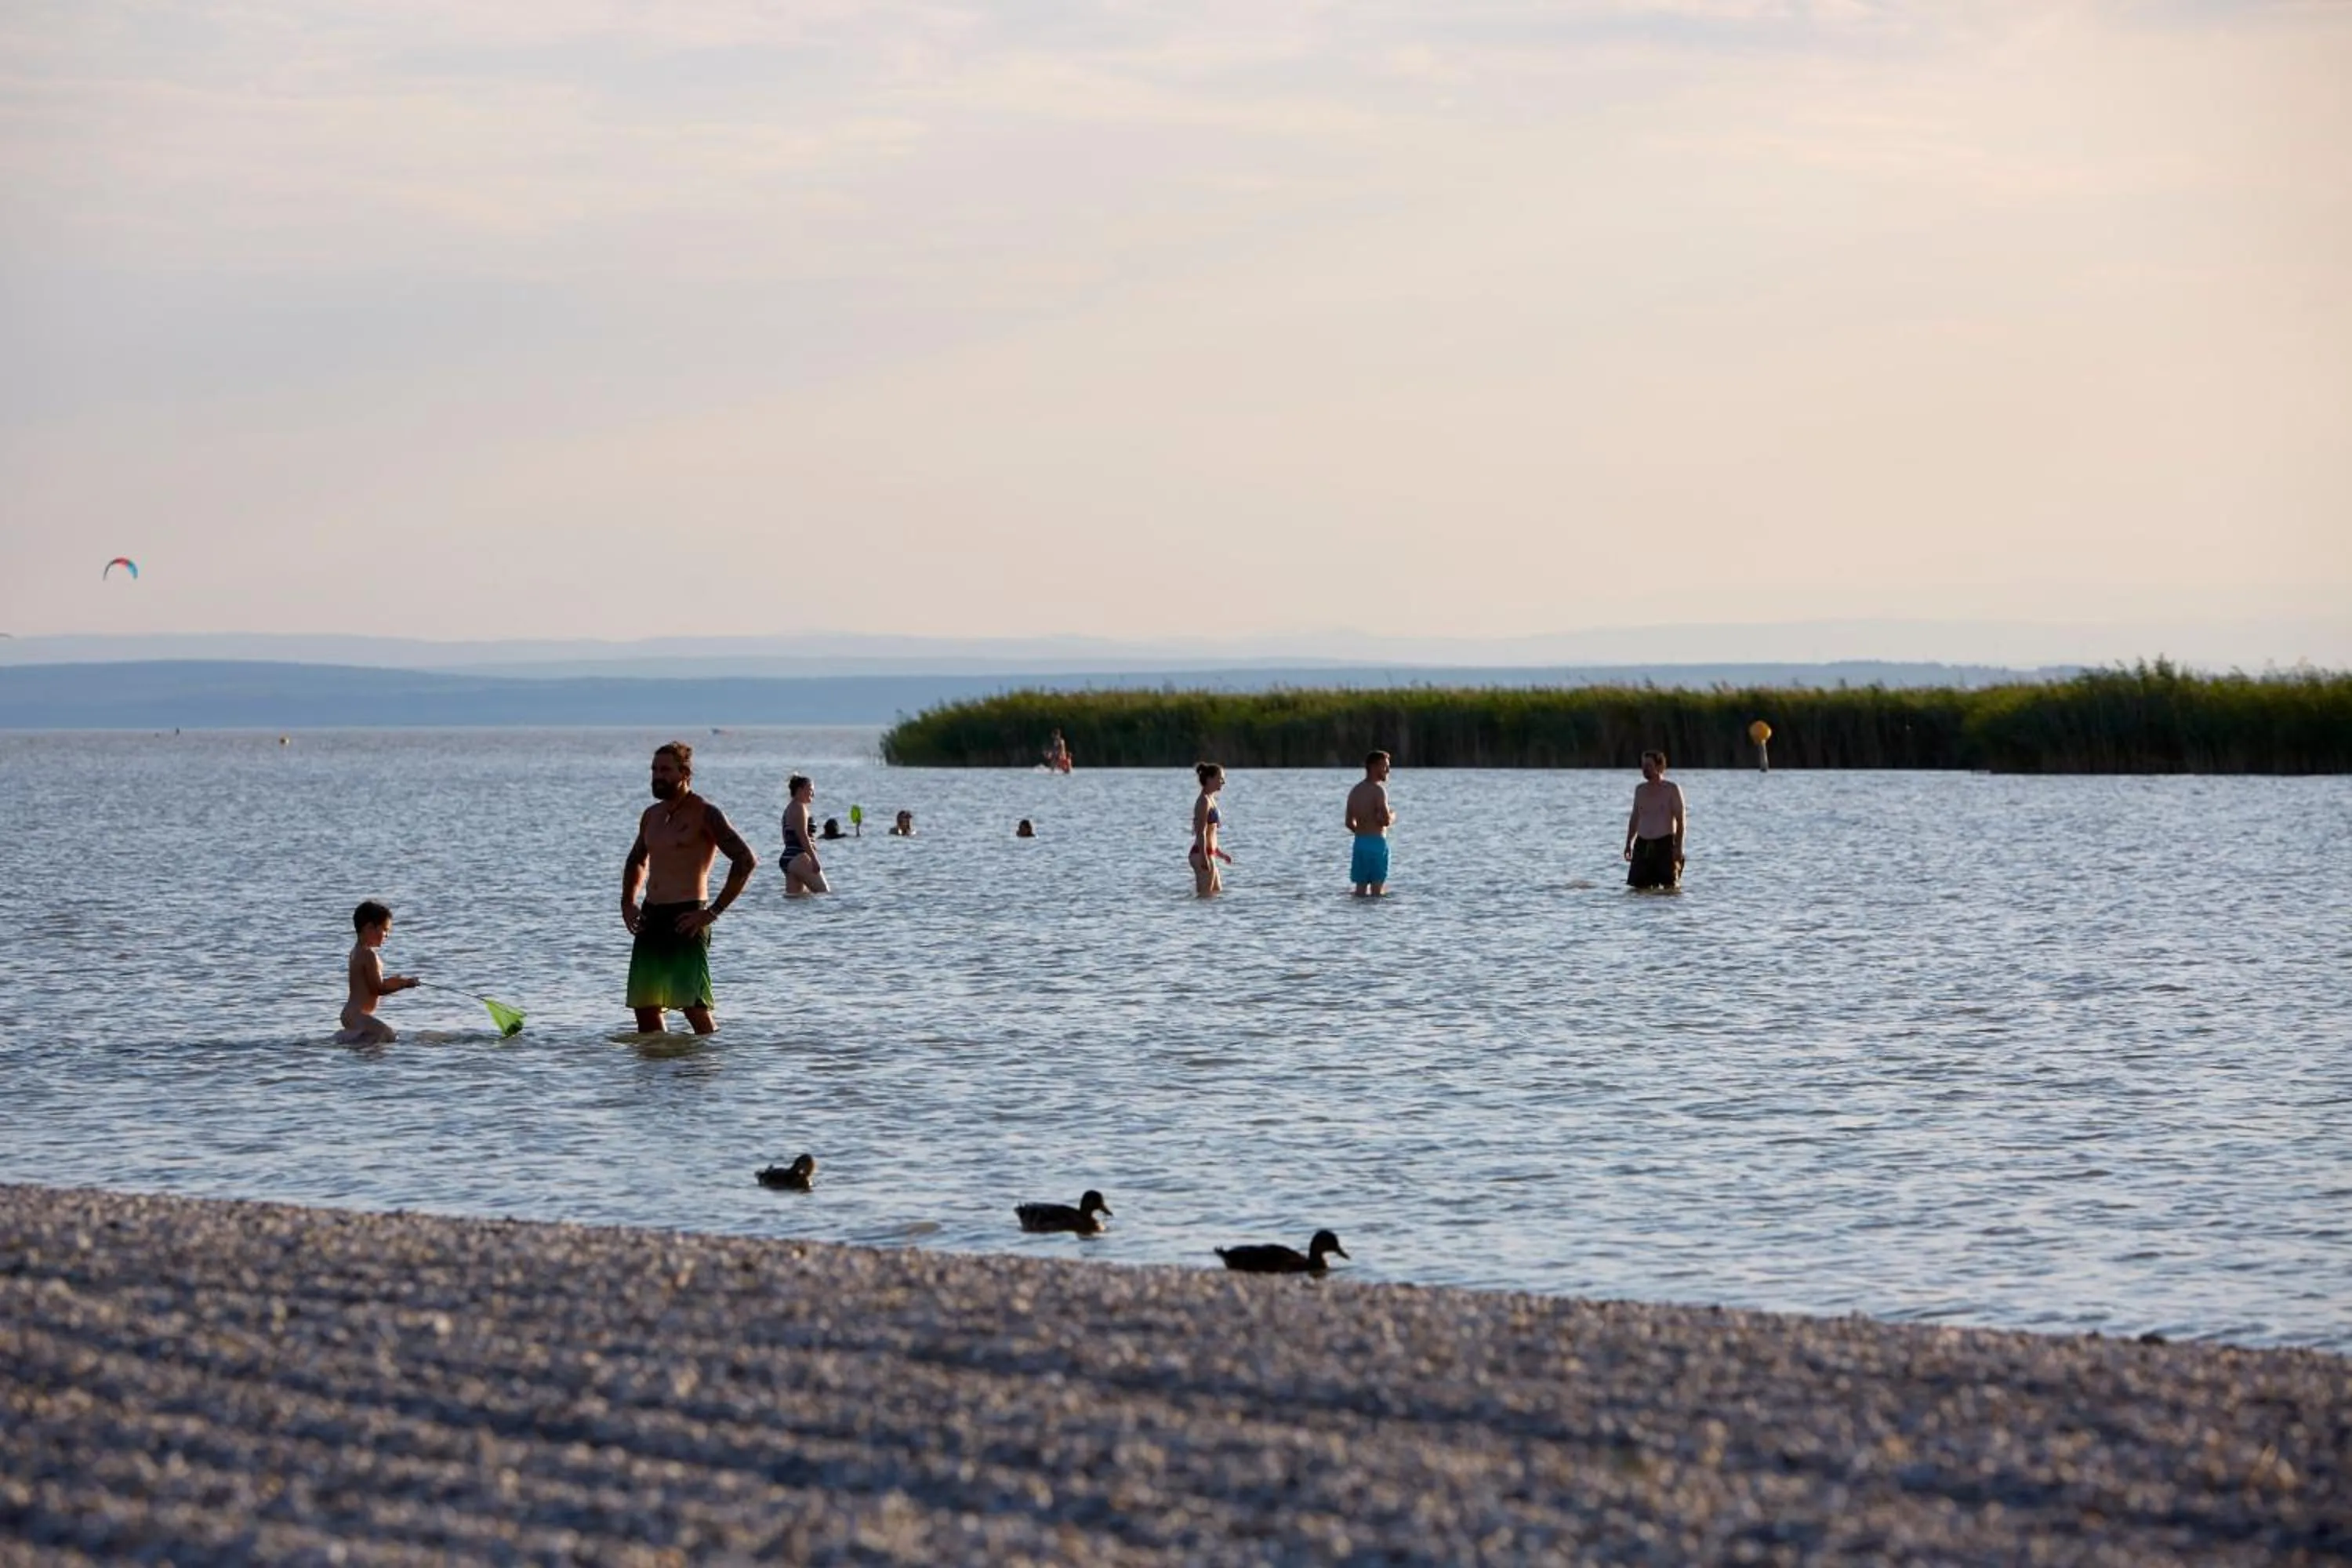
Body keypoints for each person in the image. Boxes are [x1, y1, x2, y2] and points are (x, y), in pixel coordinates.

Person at [622, 742, 757, 1034]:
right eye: (654, 770)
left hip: (687, 917)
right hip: (650, 916)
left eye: (665, 770)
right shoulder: (652, 815)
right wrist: (628, 902)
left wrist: (712, 912)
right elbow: (636, 860)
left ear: (684, 773)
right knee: (644, 1008)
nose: (657, 776)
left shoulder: (706, 813)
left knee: (693, 1006)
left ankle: (703, 1068)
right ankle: (656, 1070)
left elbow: (745, 860)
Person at [336, 899, 418, 1044]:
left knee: (374, 1040)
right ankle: (342, 1040)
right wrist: (404, 985)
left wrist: (398, 981)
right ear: (369, 928)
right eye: (385, 930)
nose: (387, 935)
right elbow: (378, 988)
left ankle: (347, 1039)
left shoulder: (356, 952)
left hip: (351, 1014)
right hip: (356, 1015)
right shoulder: (369, 955)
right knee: (389, 1035)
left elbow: (373, 984)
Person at [1623, 749, 1687, 890]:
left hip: (1665, 844)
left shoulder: (1672, 789)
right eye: (1643, 766)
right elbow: (1635, 818)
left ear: (1660, 767)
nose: (1645, 770)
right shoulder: (1640, 790)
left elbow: (1681, 821)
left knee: (1669, 887)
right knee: (1638, 889)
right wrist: (1628, 843)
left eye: (1649, 766)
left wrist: (1679, 846)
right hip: (1643, 844)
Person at [1345, 750, 1396, 896]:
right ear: (1374, 767)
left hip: (1360, 844)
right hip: (1377, 845)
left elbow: (1349, 823)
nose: (1388, 771)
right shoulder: (1379, 791)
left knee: (1360, 890)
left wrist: (1363, 831)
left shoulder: (1355, 791)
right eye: (1385, 766)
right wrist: (1392, 816)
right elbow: (1385, 821)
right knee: (1377, 892)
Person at [780, 775, 831, 896]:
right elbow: (803, 836)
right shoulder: (799, 807)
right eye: (811, 790)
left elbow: (785, 837)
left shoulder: (789, 809)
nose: (813, 794)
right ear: (800, 790)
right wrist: (814, 860)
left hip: (788, 858)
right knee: (825, 894)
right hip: (799, 857)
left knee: (797, 900)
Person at [1190, 762, 1232, 897]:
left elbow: (1211, 831)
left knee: (1216, 893)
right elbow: (1201, 832)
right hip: (1201, 854)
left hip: (1210, 853)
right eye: (1220, 778)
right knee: (1205, 896)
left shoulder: (1211, 799)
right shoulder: (1203, 801)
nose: (1223, 782)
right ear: (1209, 779)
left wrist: (1219, 853)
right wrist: (1203, 857)